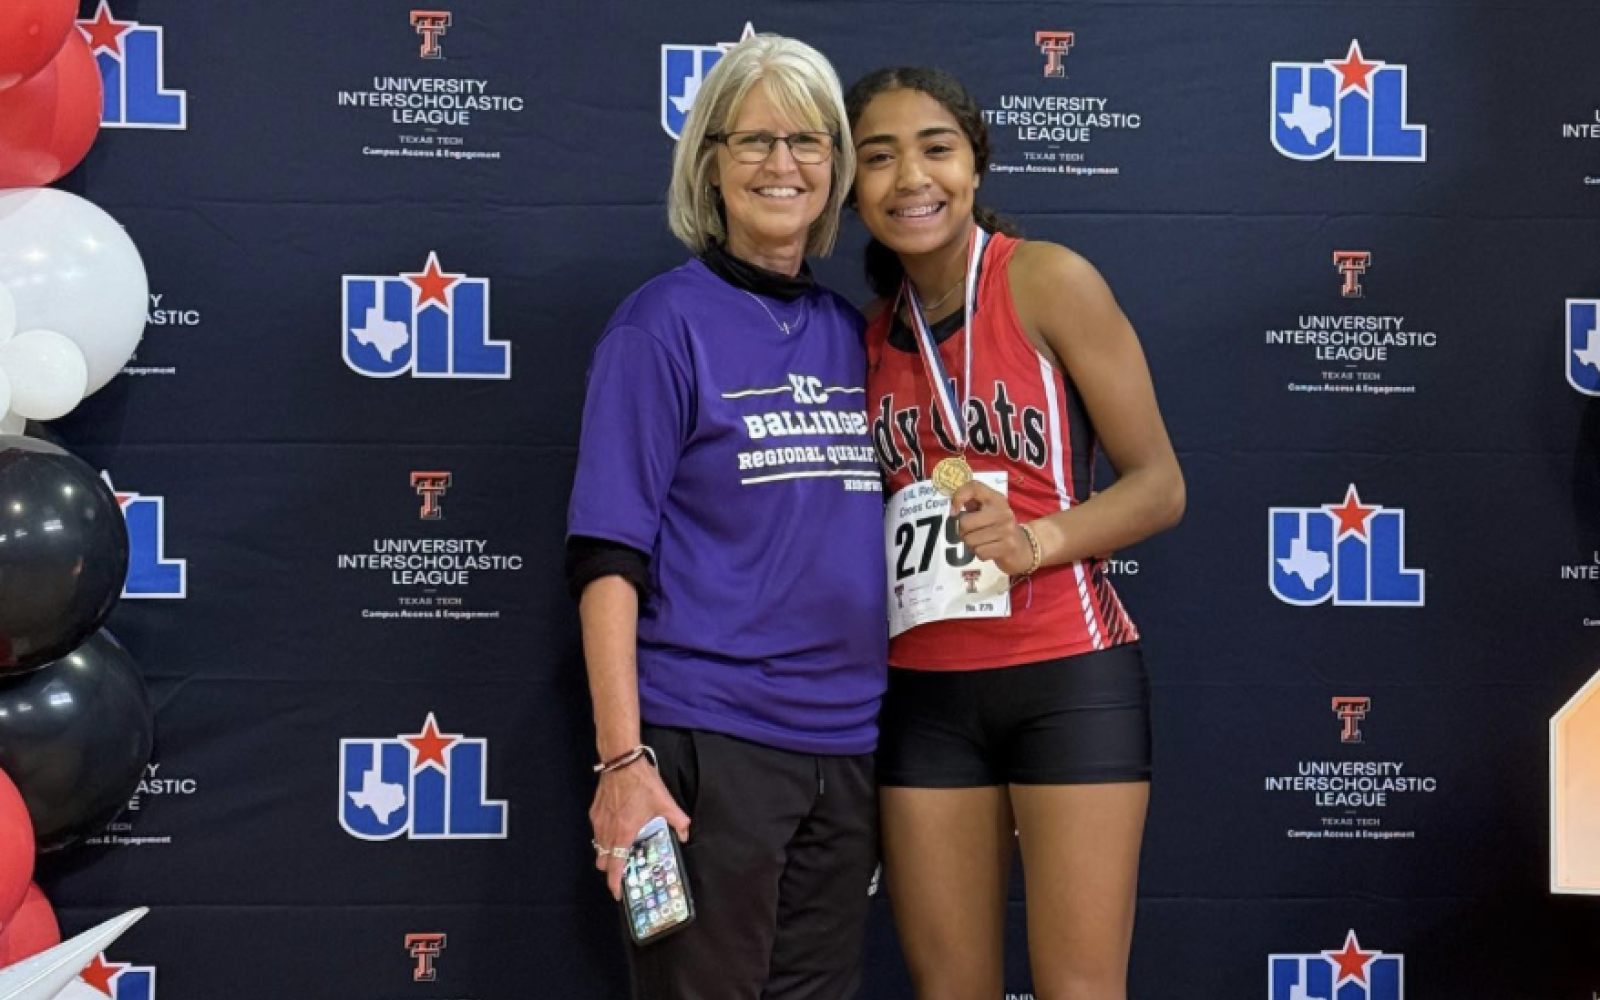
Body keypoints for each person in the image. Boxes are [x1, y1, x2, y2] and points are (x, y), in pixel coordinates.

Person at [845, 66, 1186, 1000]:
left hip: (1066, 676)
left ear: (977, 164)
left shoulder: (1046, 279)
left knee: (1079, 989)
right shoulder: (868, 337)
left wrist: (1038, 540)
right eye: (878, 157)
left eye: (935, 148)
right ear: (851, 185)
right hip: (924, 697)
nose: (910, 177)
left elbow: (1160, 486)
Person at [566, 35, 886, 1000]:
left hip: (850, 748)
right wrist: (624, 762)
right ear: (708, 162)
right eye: (752, 141)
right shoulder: (660, 324)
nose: (781, 166)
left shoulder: (853, 333)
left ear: (835, 168)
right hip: (706, 750)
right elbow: (606, 558)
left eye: (806, 141)